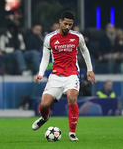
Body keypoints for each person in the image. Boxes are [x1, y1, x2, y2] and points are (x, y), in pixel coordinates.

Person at [32, 11, 96, 141]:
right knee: (44, 105)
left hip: (72, 75)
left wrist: (90, 69)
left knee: (72, 98)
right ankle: (45, 117)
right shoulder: (49, 38)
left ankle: (72, 133)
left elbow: (85, 51)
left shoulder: (78, 37)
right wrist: (40, 73)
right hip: (55, 76)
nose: (67, 27)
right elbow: (45, 58)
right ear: (60, 22)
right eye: (65, 24)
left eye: (70, 25)